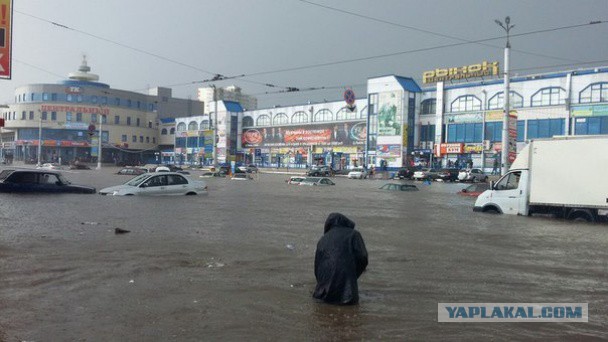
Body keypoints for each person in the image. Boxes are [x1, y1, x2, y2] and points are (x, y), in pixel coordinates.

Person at [313, 213, 368, 305]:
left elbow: (317, 268)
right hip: (347, 296)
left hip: (322, 295)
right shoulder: (354, 235)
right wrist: (352, 275)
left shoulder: (323, 239)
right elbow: (363, 258)